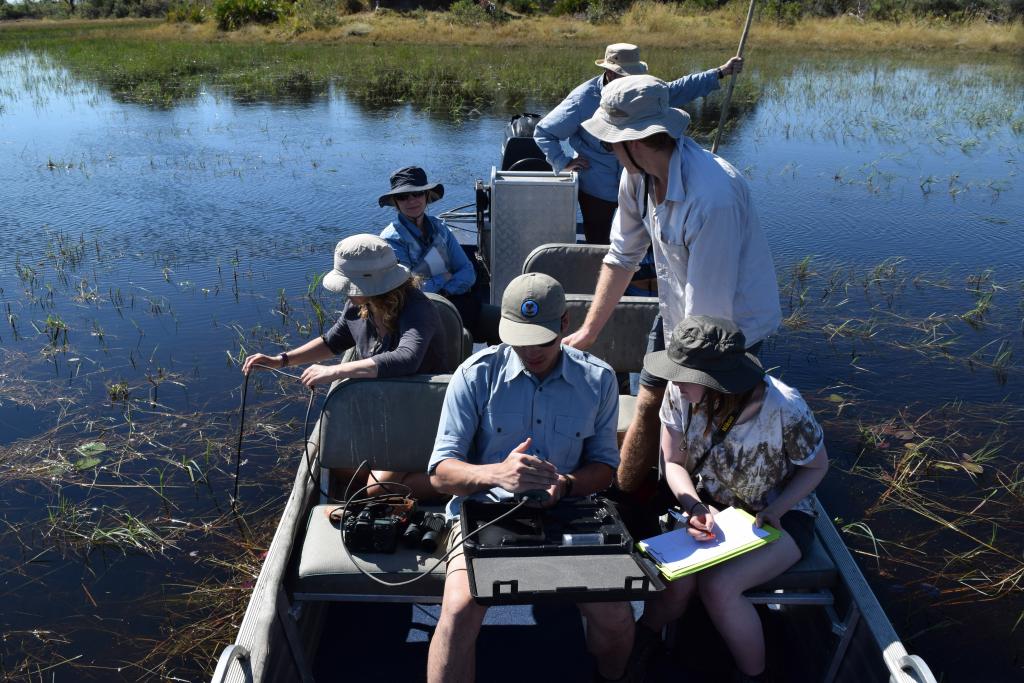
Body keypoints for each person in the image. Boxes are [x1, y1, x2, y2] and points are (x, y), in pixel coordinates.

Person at [564, 74, 783, 538]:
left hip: (729, 330)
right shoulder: (636, 175)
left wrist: (684, 388)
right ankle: (626, 501)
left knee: (703, 420)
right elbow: (621, 255)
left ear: (636, 140)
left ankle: (702, 514)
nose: (606, 150)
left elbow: (712, 321)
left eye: (609, 142)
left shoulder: (712, 198)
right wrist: (587, 332)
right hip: (677, 311)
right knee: (648, 404)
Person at [425, 273, 633, 683]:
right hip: (484, 514)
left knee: (617, 617)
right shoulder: (474, 374)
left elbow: (605, 469)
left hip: (568, 515)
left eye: (541, 339)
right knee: (457, 615)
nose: (530, 351)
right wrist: (495, 473)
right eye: (519, 339)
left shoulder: (599, 379)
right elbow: (440, 474)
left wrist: (567, 485)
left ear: (564, 325)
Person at [634, 316, 829, 682]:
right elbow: (673, 462)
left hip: (779, 518)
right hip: (710, 507)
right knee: (677, 583)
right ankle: (642, 642)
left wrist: (777, 508)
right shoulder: (680, 394)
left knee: (719, 587)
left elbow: (817, 468)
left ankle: (751, 674)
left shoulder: (785, 408)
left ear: (717, 384)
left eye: (684, 375)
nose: (673, 381)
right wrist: (693, 506)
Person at [242, 234, 447, 500]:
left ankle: (457, 482)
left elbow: (407, 358)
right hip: (387, 408)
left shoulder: (417, 308)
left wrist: (335, 371)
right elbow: (333, 341)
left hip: (422, 411)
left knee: (376, 489)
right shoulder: (360, 303)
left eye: (352, 284)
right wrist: (281, 360)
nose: (347, 290)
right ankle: (405, 478)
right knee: (340, 467)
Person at [534, 42, 744, 245]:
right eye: (626, 76)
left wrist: (719, 72)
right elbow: (544, 132)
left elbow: (679, 89)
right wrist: (563, 161)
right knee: (597, 239)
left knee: (644, 238)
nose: (632, 82)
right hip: (597, 187)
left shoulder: (642, 92)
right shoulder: (583, 99)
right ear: (610, 73)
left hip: (638, 184)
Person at [379, 166, 499, 344]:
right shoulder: (391, 240)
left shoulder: (441, 228)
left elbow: (467, 271)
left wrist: (443, 290)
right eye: (403, 196)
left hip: (455, 302)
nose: (411, 200)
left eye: (417, 193)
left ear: (427, 196)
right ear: (396, 202)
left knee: (503, 322)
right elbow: (408, 291)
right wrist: (444, 278)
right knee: (463, 338)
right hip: (416, 313)